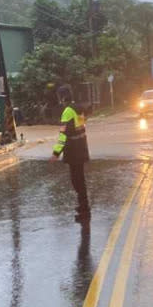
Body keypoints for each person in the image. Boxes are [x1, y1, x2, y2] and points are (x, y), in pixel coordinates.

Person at [50, 84, 91, 222]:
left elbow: (63, 135)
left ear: (62, 97)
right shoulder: (79, 108)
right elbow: (81, 127)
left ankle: (84, 209)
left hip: (73, 150)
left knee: (76, 180)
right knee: (80, 179)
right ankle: (83, 206)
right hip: (82, 147)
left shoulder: (67, 112)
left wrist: (56, 153)